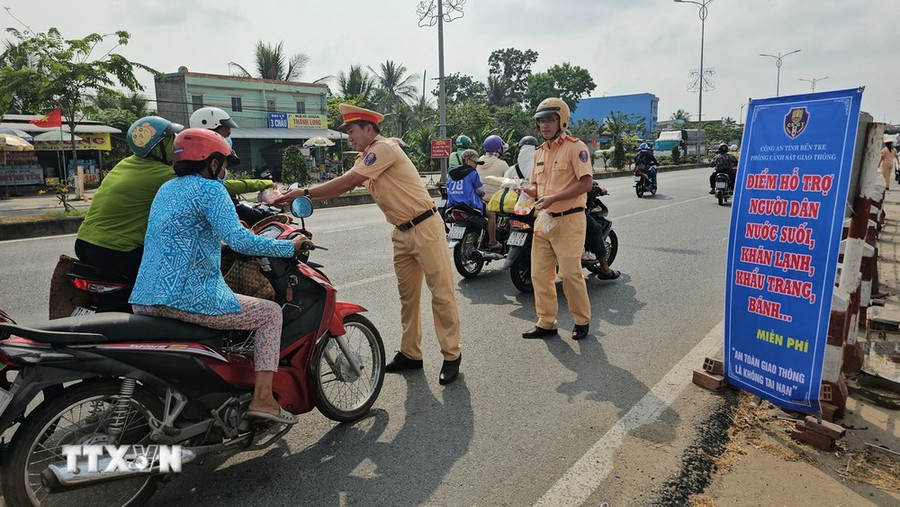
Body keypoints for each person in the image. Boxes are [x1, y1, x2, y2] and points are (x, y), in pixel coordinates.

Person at [130, 129, 311, 424]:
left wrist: (219, 243)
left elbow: (184, 234)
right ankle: (264, 399)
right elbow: (242, 240)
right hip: (188, 298)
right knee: (269, 314)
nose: (225, 170)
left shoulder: (167, 189)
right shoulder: (211, 190)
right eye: (224, 163)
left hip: (145, 297)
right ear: (213, 163)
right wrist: (288, 246)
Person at [274, 104, 462, 385]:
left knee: (441, 294)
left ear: (369, 129)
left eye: (351, 130)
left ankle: (451, 355)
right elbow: (343, 186)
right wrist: (303, 198)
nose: (349, 137)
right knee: (408, 299)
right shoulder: (365, 157)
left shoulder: (383, 149)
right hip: (401, 232)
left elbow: (348, 183)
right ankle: (411, 354)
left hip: (425, 228)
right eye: (347, 132)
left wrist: (305, 192)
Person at [75, 116, 275, 283]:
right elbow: (215, 184)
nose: (176, 144)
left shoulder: (124, 165)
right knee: (180, 278)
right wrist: (262, 184)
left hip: (84, 244)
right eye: (172, 139)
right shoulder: (163, 174)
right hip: (116, 251)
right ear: (160, 146)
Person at [518, 97, 593, 341]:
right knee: (539, 274)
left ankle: (581, 321)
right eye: (541, 121)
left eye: (550, 119)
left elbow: (586, 183)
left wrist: (554, 198)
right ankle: (546, 322)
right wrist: (529, 191)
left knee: (570, 274)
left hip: (569, 221)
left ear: (562, 120)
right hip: (544, 220)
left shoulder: (576, 147)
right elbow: (537, 187)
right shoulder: (539, 152)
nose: (545, 125)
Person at [479, 135, 510, 249]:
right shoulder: (502, 164)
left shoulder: (478, 161)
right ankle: (495, 241)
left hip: (479, 199)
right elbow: (510, 180)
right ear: (499, 149)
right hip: (494, 201)